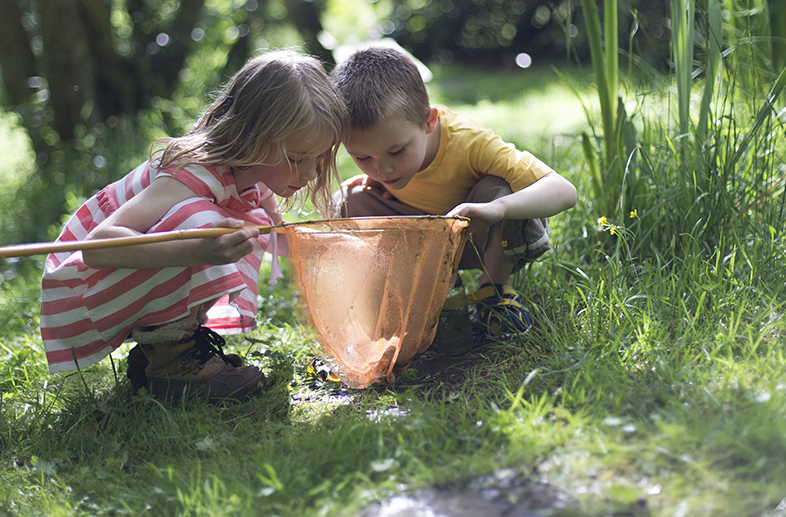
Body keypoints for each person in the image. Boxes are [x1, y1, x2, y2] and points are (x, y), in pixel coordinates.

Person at [40, 50, 348, 402]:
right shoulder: (192, 175)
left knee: (247, 224)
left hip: (117, 283)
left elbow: (281, 237)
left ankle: (161, 352)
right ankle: (173, 364)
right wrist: (198, 249)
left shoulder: (254, 174)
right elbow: (98, 247)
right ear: (253, 136)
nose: (310, 174)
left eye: (319, 158)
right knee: (206, 224)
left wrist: (326, 252)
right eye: (296, 159)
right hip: (80, 289)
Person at [331, 46, 577, 336]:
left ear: (429, 121)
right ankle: (420, 292)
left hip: (480, 239)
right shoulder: (382, 164)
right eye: (362, 158)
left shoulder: (469, 142)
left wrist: (498, 209)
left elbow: (565, 191)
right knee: (347, 201)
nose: (383, 170)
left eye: (396, 151)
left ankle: (494, 292)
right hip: (425, 242)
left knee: (498, 188)